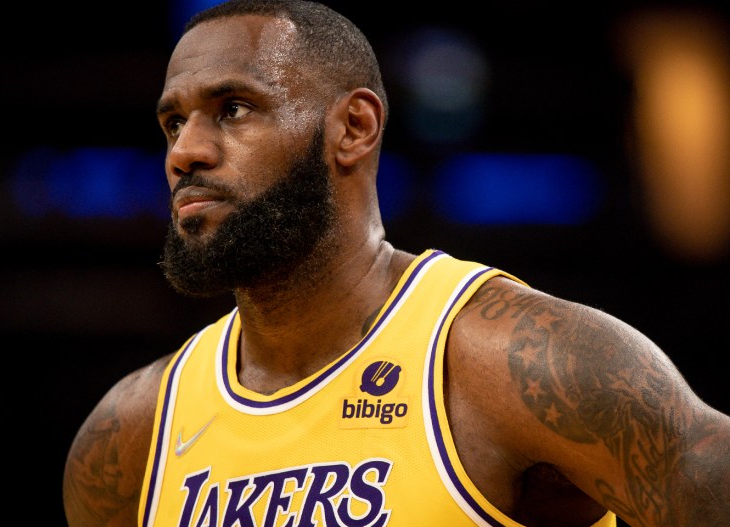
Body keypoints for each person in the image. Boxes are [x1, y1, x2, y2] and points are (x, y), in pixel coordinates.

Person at [62, 1, 730, 525]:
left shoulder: (521, 363)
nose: (185, 152)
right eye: (173, 123)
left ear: (353, 127)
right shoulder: (130, 435)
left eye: (232, 109)